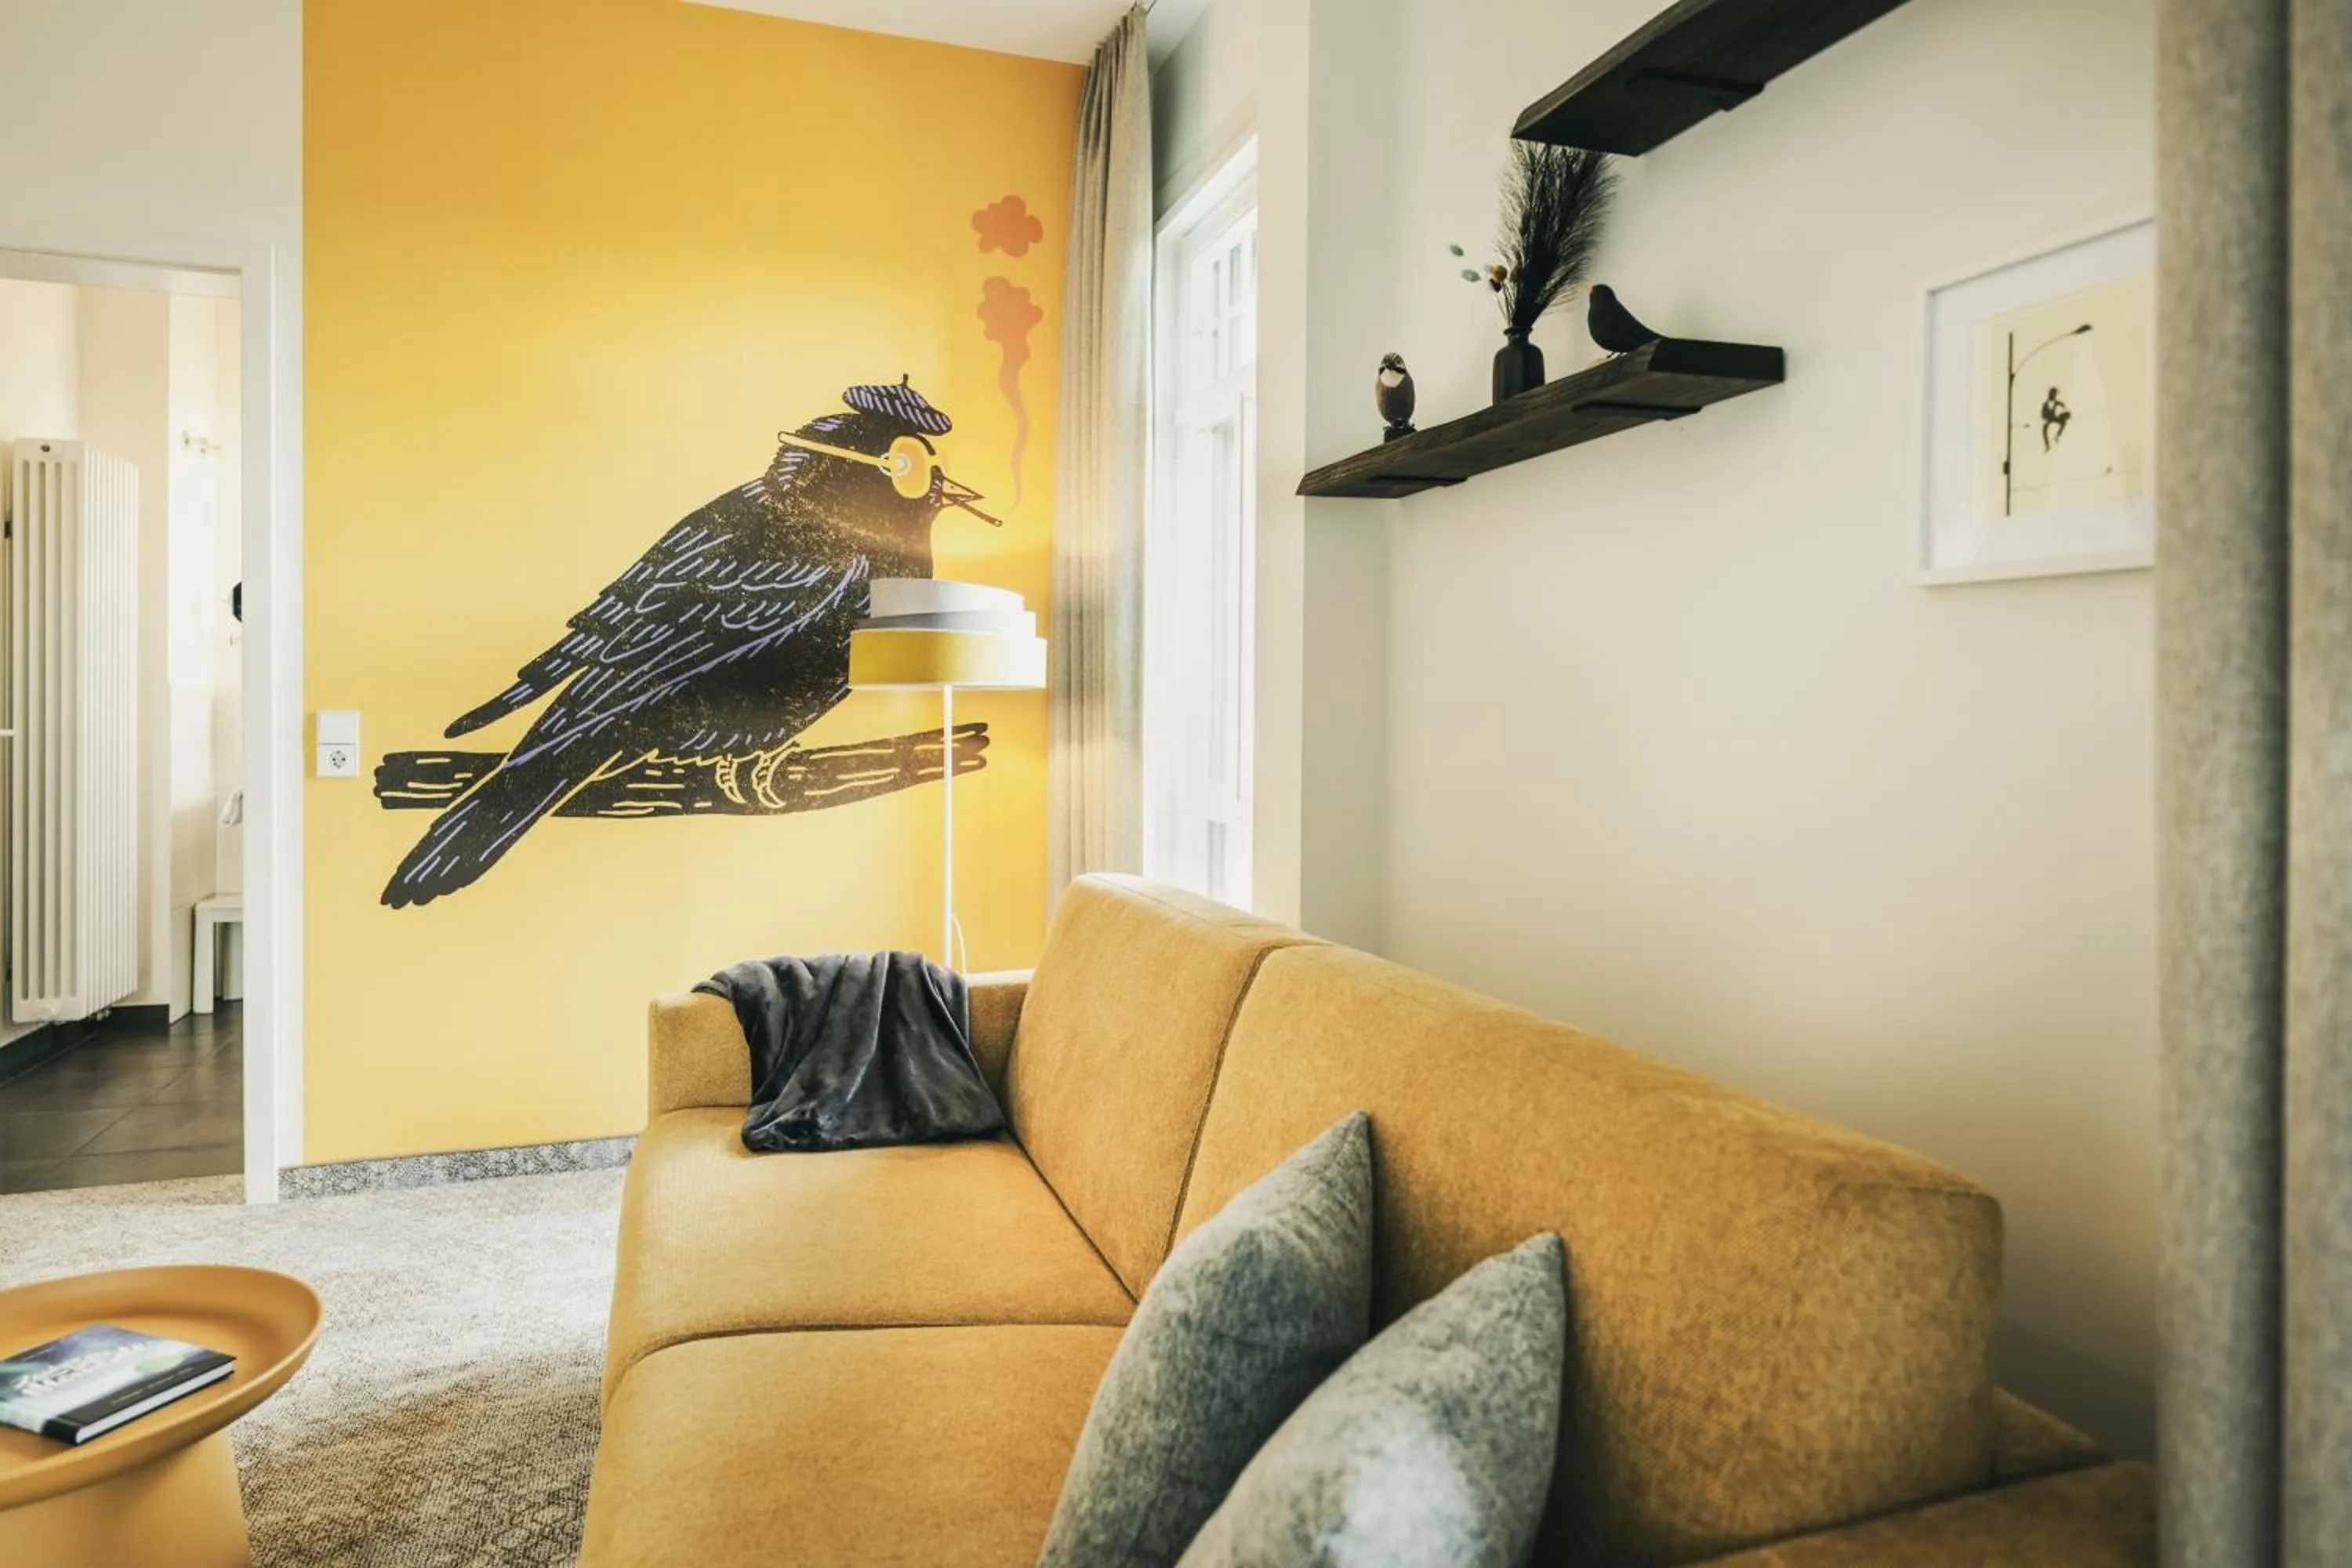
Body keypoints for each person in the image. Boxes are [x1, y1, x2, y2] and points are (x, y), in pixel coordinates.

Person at [2041, 387, 2072, 452]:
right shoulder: (2045, 404)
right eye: (2054, 394)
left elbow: (2063, 405)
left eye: (2055, 395)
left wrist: (2063, 407)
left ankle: (2057, 436)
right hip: (2049, 419)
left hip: (2054, 418)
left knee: (2063, 422)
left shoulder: (2056, 402)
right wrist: (2048, 419)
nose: (2055, 396)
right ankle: (2048, 446)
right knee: (2045, 428)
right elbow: (2043, 415)